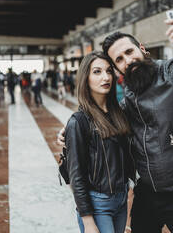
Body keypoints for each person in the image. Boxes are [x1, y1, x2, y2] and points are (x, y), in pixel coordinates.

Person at [59, 16, 173, 232]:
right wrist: (75, 127)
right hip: (148, 194)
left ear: (142, 48)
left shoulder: (172, 71)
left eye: (129, 52)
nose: (127, 61)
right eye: (119, 60)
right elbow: (110, 118)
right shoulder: (129, 95)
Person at [65, 51, 134, 233]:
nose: (106, 77)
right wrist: (88, 221)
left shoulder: (118, 113)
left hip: (121, 199)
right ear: (85, 77)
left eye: (109, 71)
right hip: (98, 203)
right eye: (97, 72)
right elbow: (76, 176)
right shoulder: (79, 121)